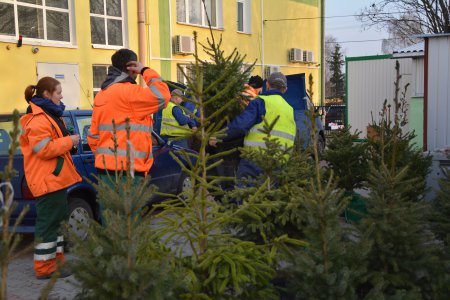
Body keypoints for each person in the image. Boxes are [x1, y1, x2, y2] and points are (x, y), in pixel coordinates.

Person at [20, 77, 81, 279]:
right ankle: (45, 269)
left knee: (57, 224)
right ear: (46, 94)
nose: (61, 96)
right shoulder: (38, 119)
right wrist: (68, 140)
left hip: (55, 180)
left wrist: (66, 139)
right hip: (48, 182)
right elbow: (42, 149)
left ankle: (56, 264)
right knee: (48, 226)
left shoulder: (49, 115)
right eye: (58, 92)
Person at [88, 49, 170, 186]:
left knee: (108, 208)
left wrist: (106, 159)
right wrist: (145, 70)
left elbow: (93, 136)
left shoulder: (102, 94)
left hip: (105, 172)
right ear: (132, 67)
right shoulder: (130, 93)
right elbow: (163, 96)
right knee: (130, 208)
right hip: (129, 172)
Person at [211, 72, 296, 181]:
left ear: (268, 85)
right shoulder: (290, 109)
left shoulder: (261, 102)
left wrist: (219, 136)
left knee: (246, 194)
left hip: (255, 159)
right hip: (280, 161)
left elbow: (240, 125)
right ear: (285, 89)